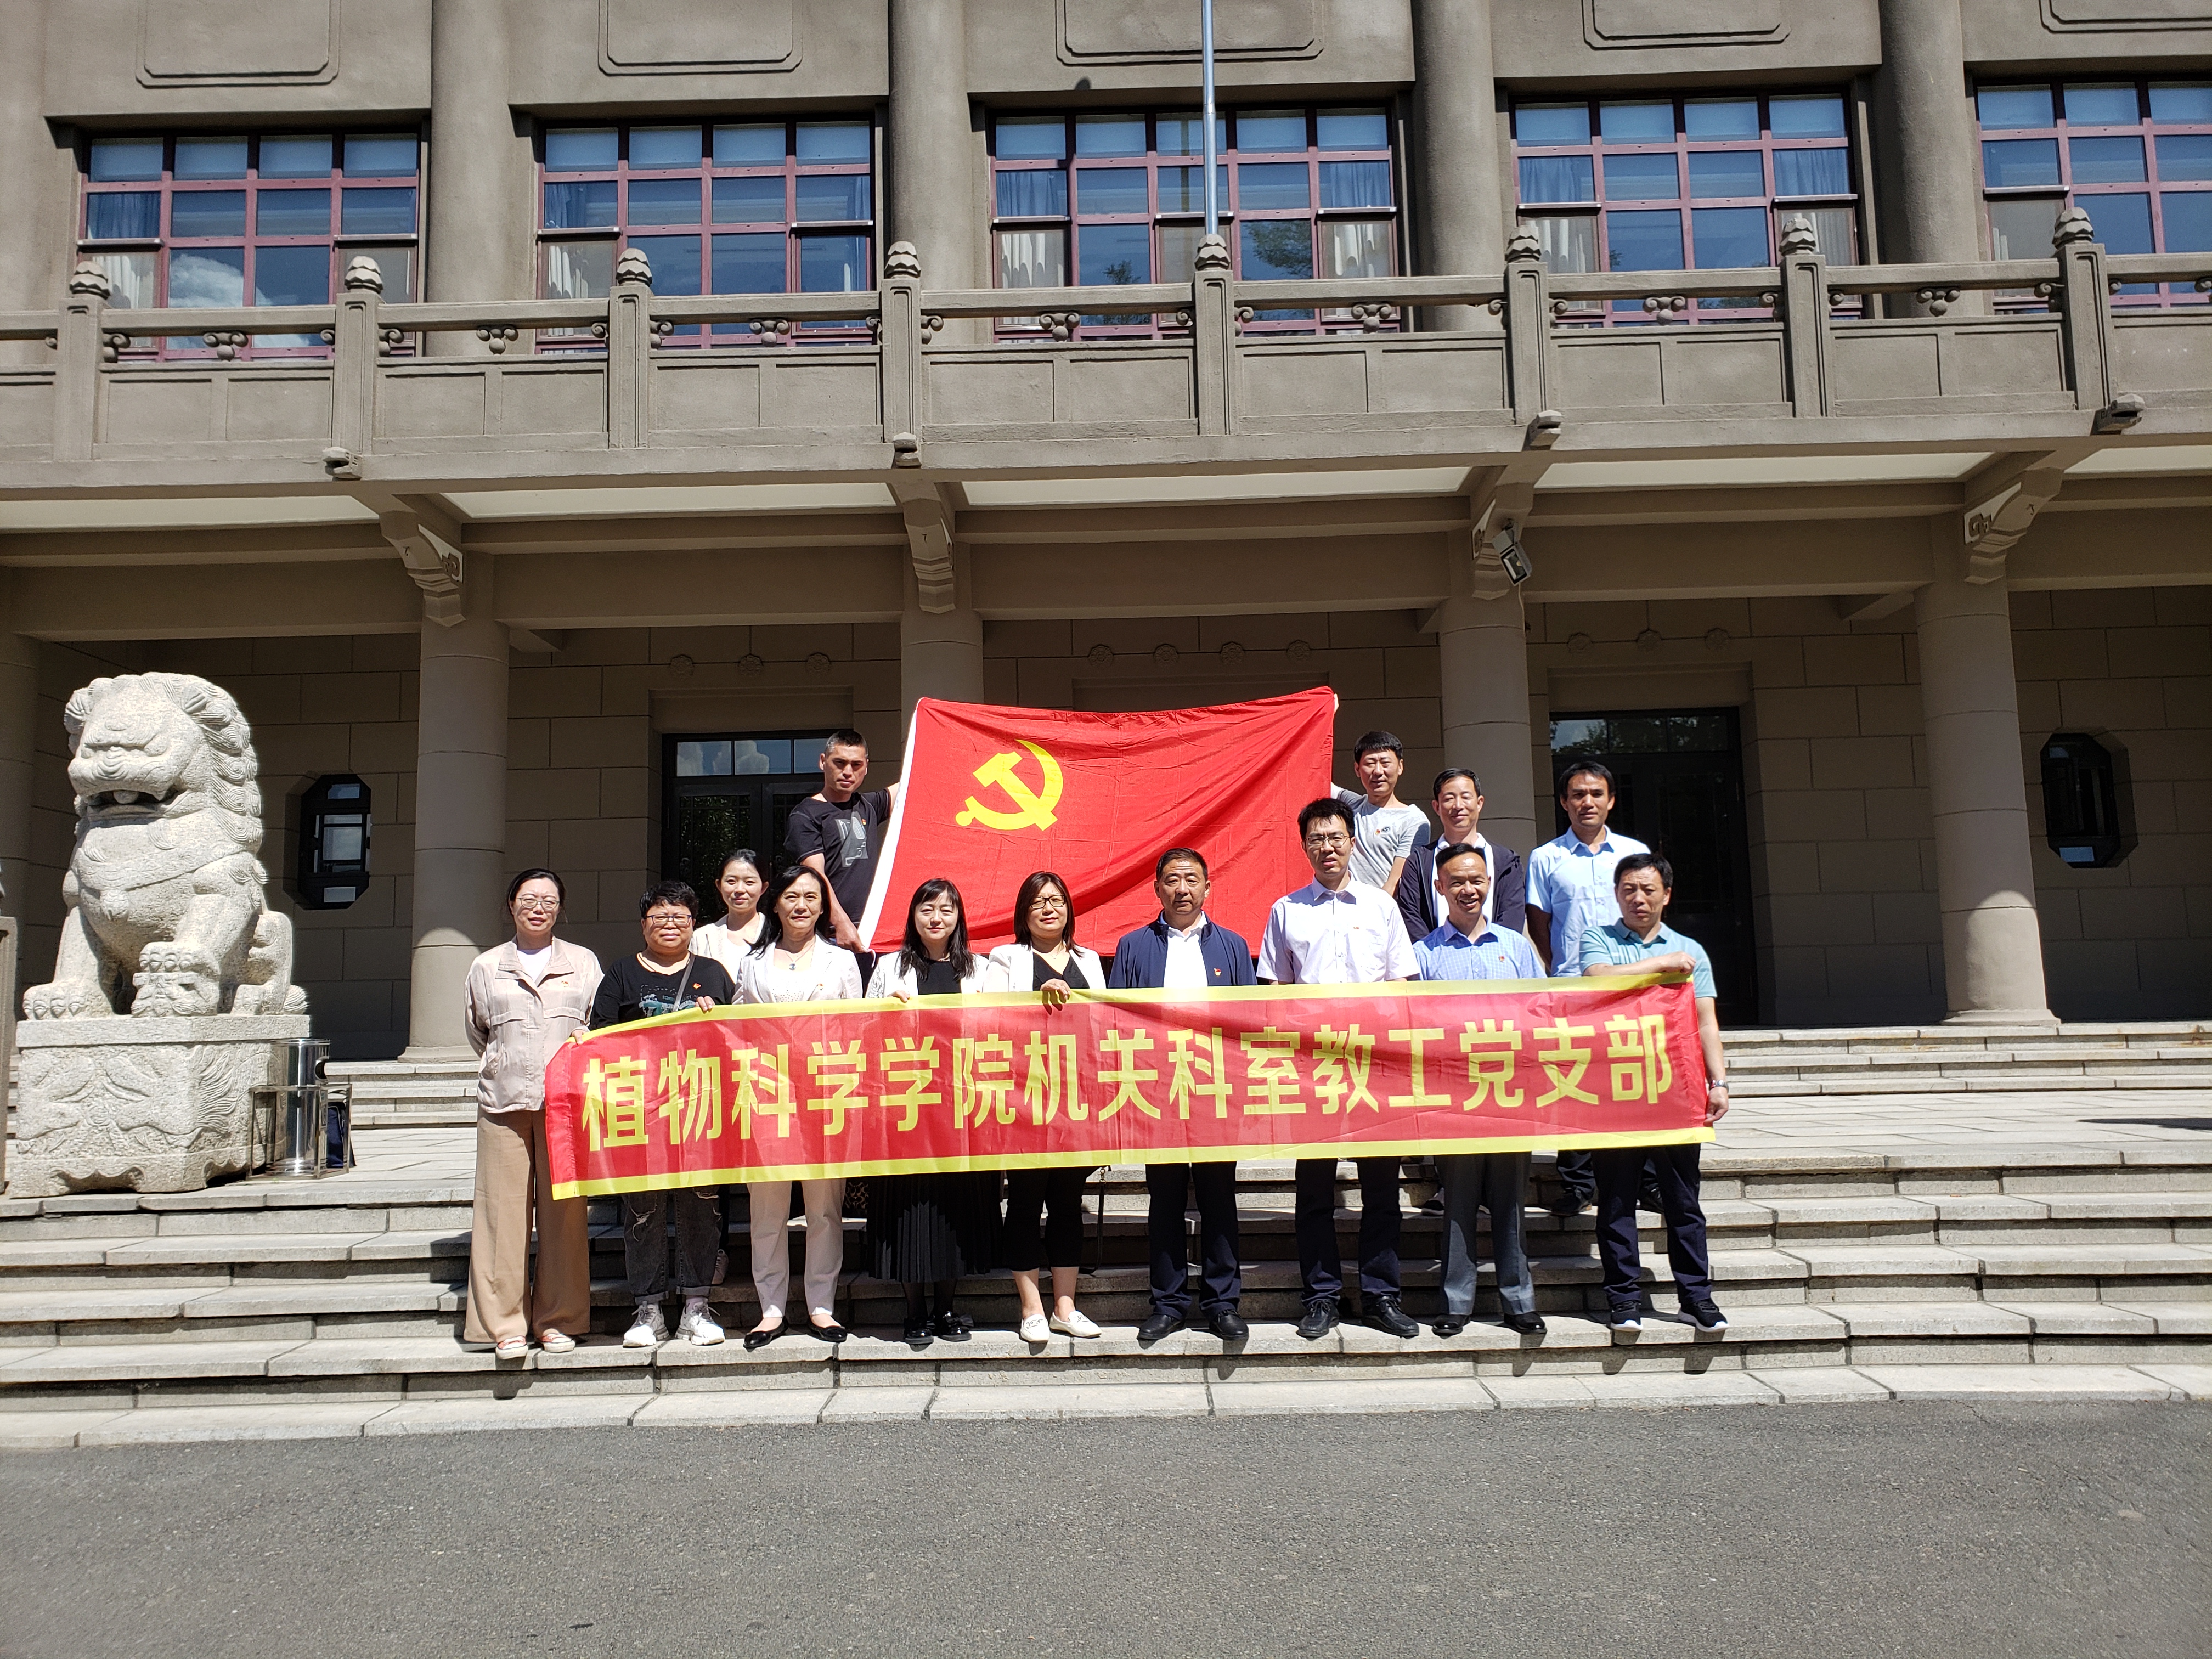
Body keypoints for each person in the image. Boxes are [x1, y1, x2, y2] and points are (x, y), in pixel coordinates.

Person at [1257, 798, 1421, 1341]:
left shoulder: (1381, 907)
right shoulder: (1286, 911)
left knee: (1382, 1190)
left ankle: (1381, 1295)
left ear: (1352, 841)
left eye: (1335, 838)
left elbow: (1402, 984)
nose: (1326, 848)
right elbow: (1274, 991)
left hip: (1375, 1067)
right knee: (1314, 1192)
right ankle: (1321, 1296)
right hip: (1315, 1070)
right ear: (1304, 847)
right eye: (1316, 840)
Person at [1577, 852, 1731, 1335]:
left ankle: (1696, 1297)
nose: (1638, 899)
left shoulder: (1691, 949)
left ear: (1667, 894)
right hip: (1617, 1090)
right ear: (1616, 894)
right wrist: (1662, 964)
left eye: (1648, 890)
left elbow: (1706, 1021)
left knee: (1683, 1202)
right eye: (1628, 890)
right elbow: (1595, 979)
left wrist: (1718, 1082)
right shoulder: (1599, 939)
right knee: (1617, 1201)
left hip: (1675, 1091)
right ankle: (1623, 1299)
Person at [1109, 847, 1257, 1343]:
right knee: (1165, 1200)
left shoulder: (1232, 946)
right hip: (1157, 1092)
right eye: (1172, 880)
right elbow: (1116, 1021)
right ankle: (1168, 1303)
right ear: (1157, 889)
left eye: (1192, 879)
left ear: (1208, 888)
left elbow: (1249, 1022)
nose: (1182, 889)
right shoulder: (1134, 946)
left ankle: (1223, 1302)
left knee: (1220, 1200)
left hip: (1216, 1090)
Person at [590, 881, 737, 1350]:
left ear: (694, 924)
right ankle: (648, 1310)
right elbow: (600, 1037)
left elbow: (738, 1040)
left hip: (699, 1110)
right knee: (643, 1209)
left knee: (701, 1207)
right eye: (659, 916)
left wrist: (716, 1020)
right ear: (643, 925)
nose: (669, 924)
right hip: (641, 1113)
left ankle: (697, 1307)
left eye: (680, 917)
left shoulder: (713, 973)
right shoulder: (621, 974)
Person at [461, 870, 602, 1360]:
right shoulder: (486, 965)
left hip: (566, 1104)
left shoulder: (582, 962)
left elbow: (595, 1025)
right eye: (529, 899)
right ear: (511, 905)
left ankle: (559, 1320)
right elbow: (479, 1030)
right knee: (501, 1215)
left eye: (548, 900)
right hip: (504, 1102)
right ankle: (504, 1325)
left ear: (560, 908)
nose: (538, 908)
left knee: (566, 1214)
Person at [1413, 843, 1547, 1339]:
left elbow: (1542, 1013)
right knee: (1459, 1204)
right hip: (1454, 1098)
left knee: (1511, 1202)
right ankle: (1456, 1302)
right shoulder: (1423, 955)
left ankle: (1520, 1300)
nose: (1467, 889)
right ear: (1439, 888)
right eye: (1457, 882)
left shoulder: (1517, 948)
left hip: (1510, 1093)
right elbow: (1412, 1025)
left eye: (1476, 880)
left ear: (1489, 884)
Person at [731, 865, 865, 1351]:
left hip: (825, 1094)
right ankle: (770, 1310)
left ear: (823, 907)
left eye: (811, 897)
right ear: (776, 904)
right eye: (792, 896)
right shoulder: (753, 962)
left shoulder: (841, 962)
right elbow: (738, 1025)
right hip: (767, 1093)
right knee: (767, 1206)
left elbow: (859, 1028)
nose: (801, 905)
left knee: (824, 1208)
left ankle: (821, 1305)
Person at [865, 879, 999, 1345]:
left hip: (962, 1108)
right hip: (906, 1107)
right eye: (927, 908)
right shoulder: (890, 967)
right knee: (909, 1208)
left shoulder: (980, 969)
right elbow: (862, 1032)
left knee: (955, 1208)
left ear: (959, 917)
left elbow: (999, 1029)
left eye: (946, 909)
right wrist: (885, 1011)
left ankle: (946, 1309)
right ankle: (914, 1311)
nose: (936, 918)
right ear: (913, 916)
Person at [984, 871, 1107, 1342]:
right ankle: (1031, 1307)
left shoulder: (1089, 960)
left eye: (1056, 901)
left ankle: (1065, 1307)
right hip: (1025, 1101)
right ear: (1024, 913)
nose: (1048, 909)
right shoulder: (1006, 957)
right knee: (1025, 1200)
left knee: (1067, 1203)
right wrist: (1035, 998)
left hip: (1076, 1101)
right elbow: (990, 1016)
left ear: (1069, 909)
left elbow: (1103, 1022)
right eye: (1037, 902)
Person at [1524, 761, 1650, 1218]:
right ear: (1564, 802)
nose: (1587, 803)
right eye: (1578, 795)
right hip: (1573, 985)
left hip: (1629, 984)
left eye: (1597, 794)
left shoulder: (1635, 853)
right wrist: (1557, 967)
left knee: (1631, 1080)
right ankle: (1578, 1183)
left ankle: (1644, 1179)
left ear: (1611, 800)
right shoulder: (1546, 858)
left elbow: (1649, 914)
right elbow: (1540, 922)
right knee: (1574, 1081)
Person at [784, 729, 901, 960]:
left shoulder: (868, 805)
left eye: (856, 765)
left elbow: (914, 780)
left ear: (866, 767)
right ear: (823, 762)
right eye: (840, 763)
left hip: (873, 930)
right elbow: (816, 878)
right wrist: (840, 923)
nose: (848, 772)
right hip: (830, 935)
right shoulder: (806, 815)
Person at [1395, 769, 1526, 946]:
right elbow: (1411, 916)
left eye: (1466, 797)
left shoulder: (1505, 862)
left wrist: (1491, 953)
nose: (1458, 806)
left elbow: (1512, 917)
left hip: (1495, 959)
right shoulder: (1418, 862)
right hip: (1435, 958)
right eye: (1449, 799)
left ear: (1479, 803)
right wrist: (1434, 954)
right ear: (1437, 807)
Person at [1332, 730, 1430, 895]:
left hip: (1384, 907)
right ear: (1357, 769)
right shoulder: (1351, 804)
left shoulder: (1414, 820)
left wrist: (1375, 909)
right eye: (1370, 763)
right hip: (1343, 905)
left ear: (1400, 767)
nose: (1378, 771)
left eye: (1385, 763)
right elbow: (1314, 774)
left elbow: (1396, 882)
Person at [689, 847, 767, 973]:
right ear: (719, 885)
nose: (739, 890)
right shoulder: (702, 938)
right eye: (731, 881)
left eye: (749, 882)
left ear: (763, 887)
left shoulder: (778, 934)